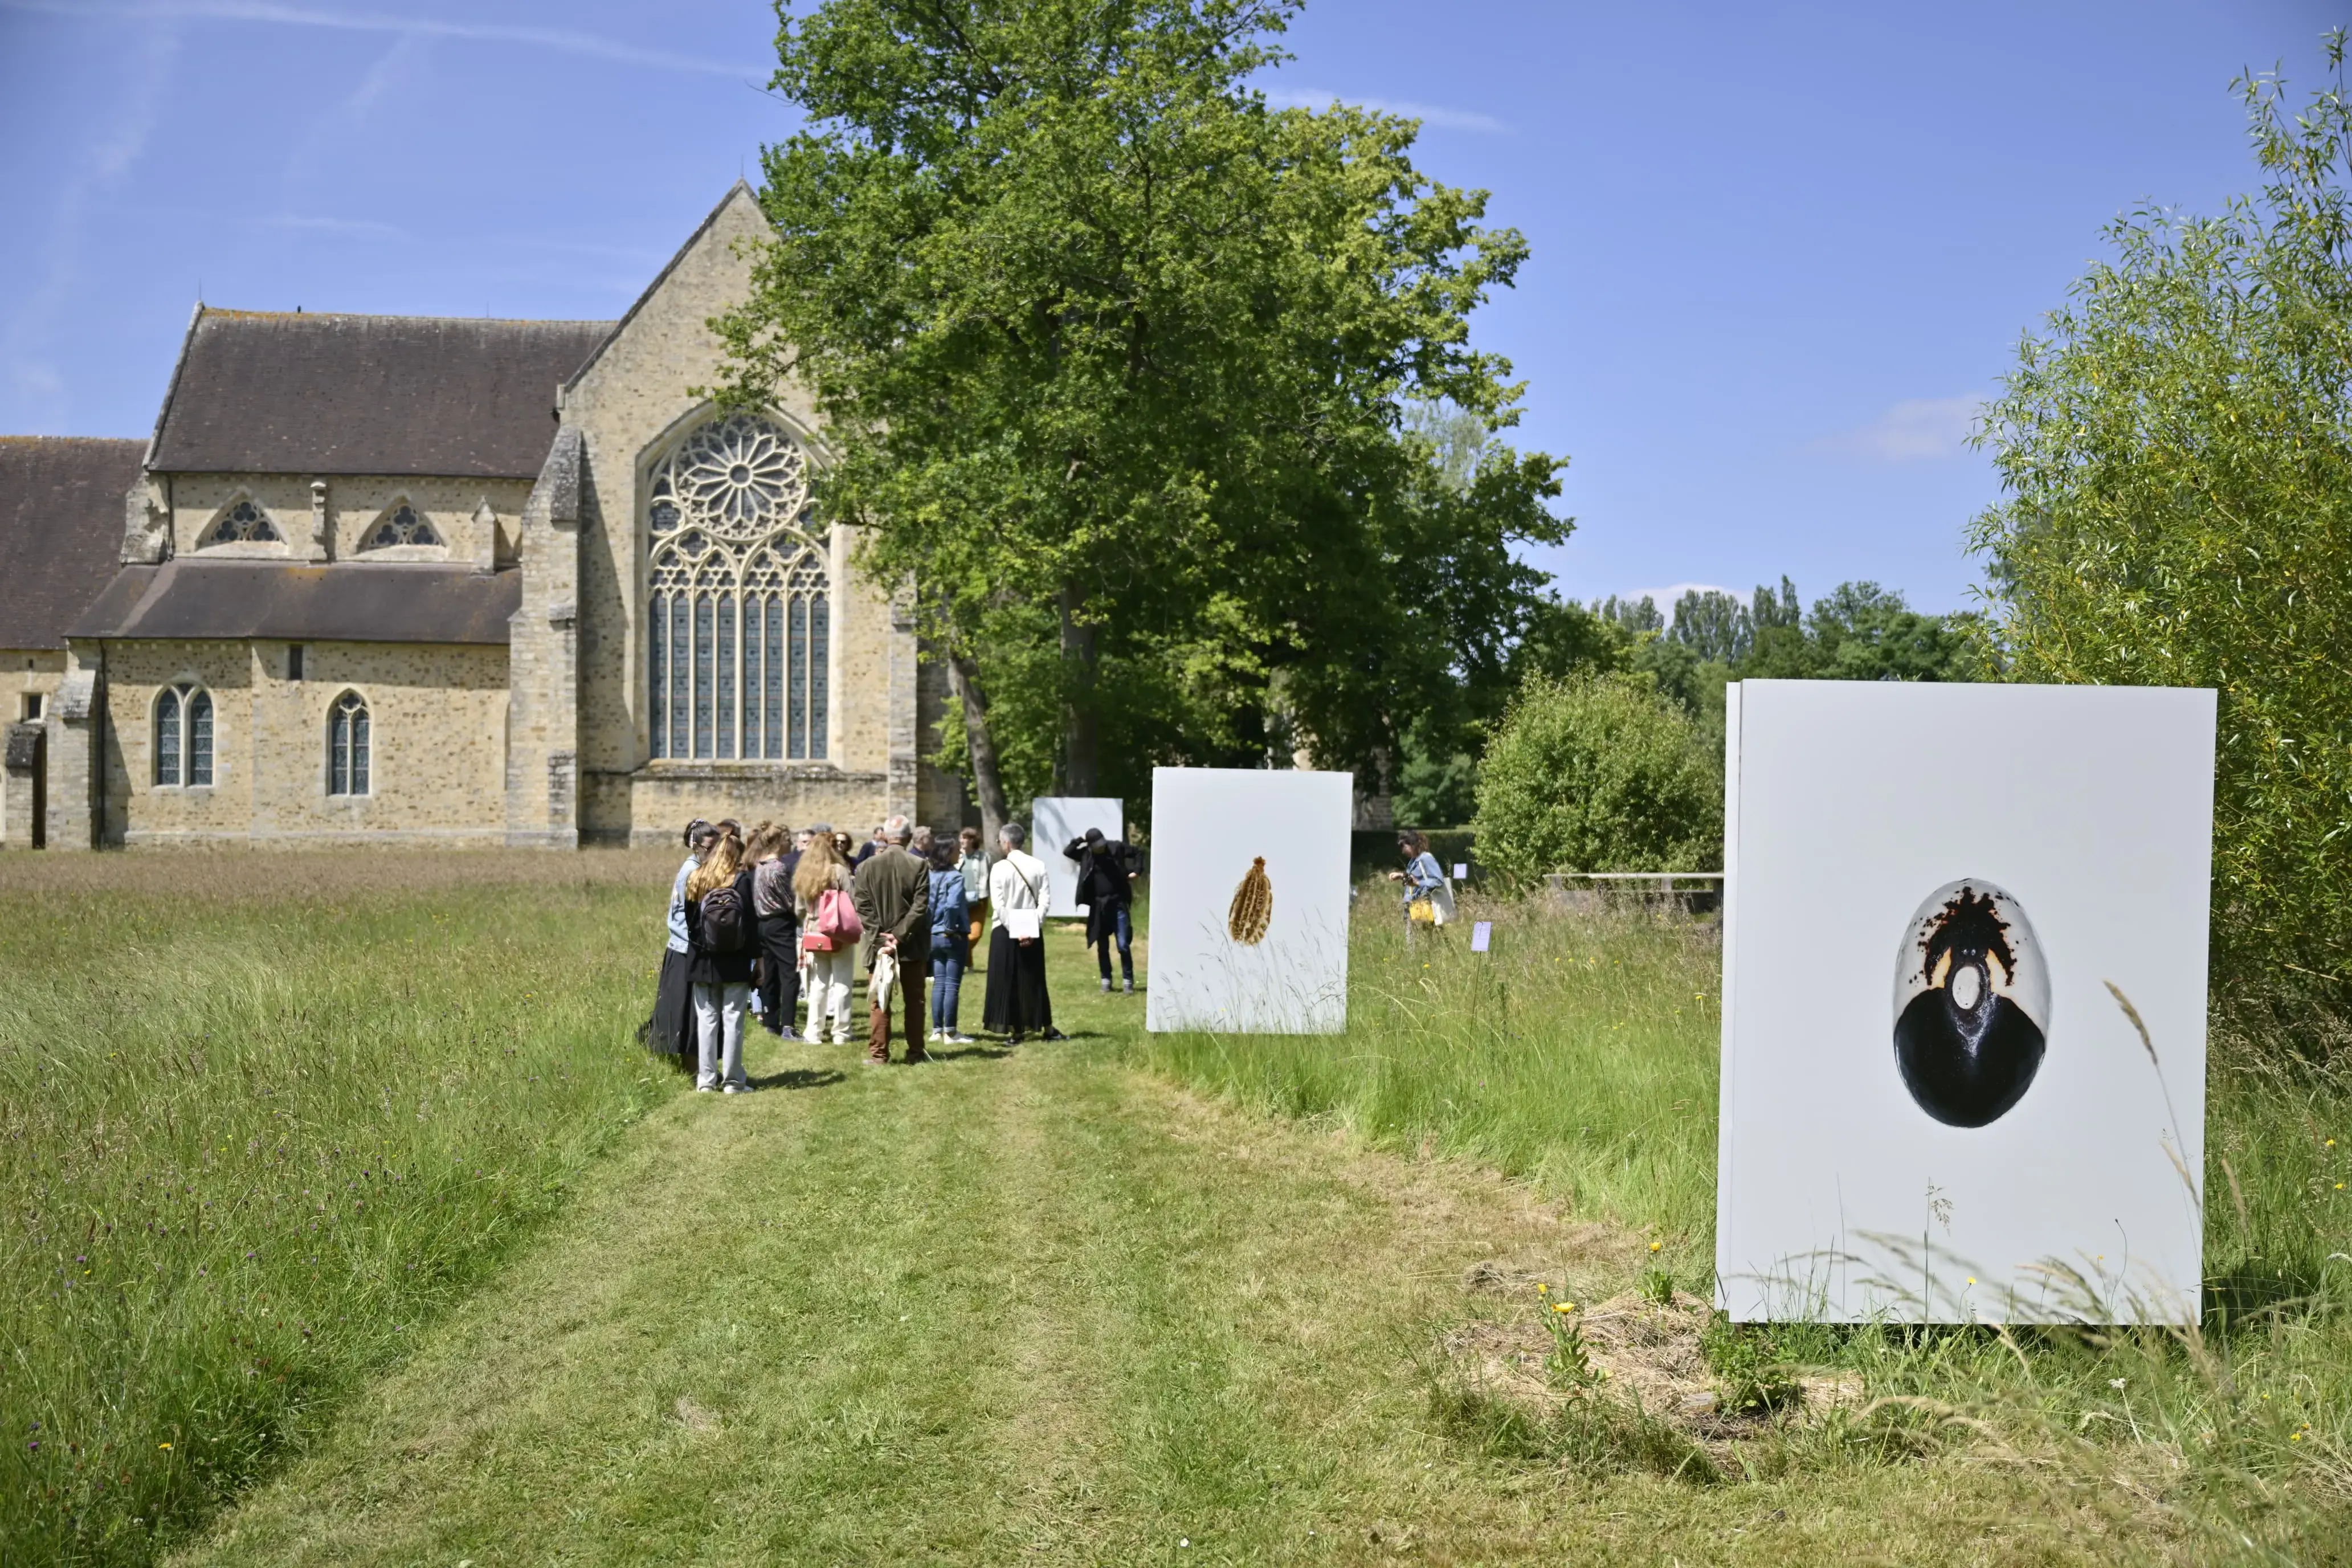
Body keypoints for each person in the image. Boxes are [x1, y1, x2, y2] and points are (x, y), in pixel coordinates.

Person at [683, 823, 757, 1093]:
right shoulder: (742, 881)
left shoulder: (697, 878)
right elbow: (750, 924)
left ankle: (705, 1081)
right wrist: (757, 960)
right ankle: (733, 1081)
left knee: (707, 1019)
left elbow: (690, 922)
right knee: (733, 1018)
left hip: (702, 959)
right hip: (735, 959)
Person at [851, 815, 930, 1065]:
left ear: (884, 837)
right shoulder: (919, 864)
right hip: (911, 945)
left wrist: (880, 940)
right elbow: (920, 906)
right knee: (914, 1000)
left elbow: (862, 908)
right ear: (908, 838)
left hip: (878, 947)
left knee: (879, 1000)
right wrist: (898, 935)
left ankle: (878, 1055)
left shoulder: (866, 867)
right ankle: (916, 1053)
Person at [640, 818, 712, 1068]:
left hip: (682, 947)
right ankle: (692, 1069)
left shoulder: (693, 868)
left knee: (685, 1010)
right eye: (709, 848)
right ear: (696, 845)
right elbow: (694, 917)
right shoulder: (693, 872)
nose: (713, 854)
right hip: (685, 948)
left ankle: (694, 1066)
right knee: (686, 1012)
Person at [983, 822, 1061, 1042]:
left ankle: (1016, 1030)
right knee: (1035, 980)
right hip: (1032, 929)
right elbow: (1045, 901)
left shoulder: (999, 868)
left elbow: (999, 905)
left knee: (1008, 981)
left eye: (999, 842)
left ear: (1007, 843)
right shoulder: (1039, 865)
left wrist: (1015, 929)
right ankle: (1047, 1027)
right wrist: (1031, 926)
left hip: (1004, 931)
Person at [794, 828, 857, 1045]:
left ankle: (814, 1032)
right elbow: (852, 900)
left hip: (814, 933)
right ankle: (842, 1032)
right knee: (842, 982)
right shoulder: (839, 871)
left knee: (818, 984)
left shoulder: (805, 873)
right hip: (838, 931)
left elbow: (799, 909)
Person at [1064, 826, 1140, 994]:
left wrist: (1136, 871)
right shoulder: (1086, 854)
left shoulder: (1116, 848)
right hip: (1099, 906)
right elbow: (1068, 852)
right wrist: (1081, 838)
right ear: (1091, 845)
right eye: (1097, 845)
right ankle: (1106, 980)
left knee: (1123, 945)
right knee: (1102, 945)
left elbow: (1137, 852)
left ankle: (1128, 981)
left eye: (1102, 842)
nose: (1101, 847)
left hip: (1118, 903)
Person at [750, 820, 802, 1038]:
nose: (791, 845)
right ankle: (788, 1025)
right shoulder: (778, 868)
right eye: (789, 840)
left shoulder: (760, 866)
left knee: (770, 973)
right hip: (780, 924)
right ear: (780, 842)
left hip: (763, 923)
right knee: (790, 974)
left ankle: (771, 1021)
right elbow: (790, 900)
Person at [925, 839, 975, 1045]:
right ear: (948, 853)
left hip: (932, 936)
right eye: (956, 851)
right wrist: (948, 928)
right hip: (952, 935)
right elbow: (953, 905)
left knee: (939, 983)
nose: (959, 854)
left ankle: (937, 1030)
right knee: (952, 985)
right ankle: (951, 1033)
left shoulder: (929, 875)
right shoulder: (955, 877)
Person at [1387, 830, 1452, 941]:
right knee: (1417, 942)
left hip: (1424, 906)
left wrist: (1418, 883)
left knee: (1428, 941)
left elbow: (1438, 880)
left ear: (1412, 844)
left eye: (1403, 846)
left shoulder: (1426, 858)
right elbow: (1415, 878)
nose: (1402, 851)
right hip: (1413, 906)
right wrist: (1401, 875)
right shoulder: (1414, 860)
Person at [957, 826, 990, 962]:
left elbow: (988, 877)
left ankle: (959, 957)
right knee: (962, 933)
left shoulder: (984, 857)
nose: (962, 841)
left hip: (979, 901)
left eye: (966, 838)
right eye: (961, 838)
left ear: (973, 840)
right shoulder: (956, 856)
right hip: (960, 901)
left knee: (975, 935)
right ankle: (967, 964)